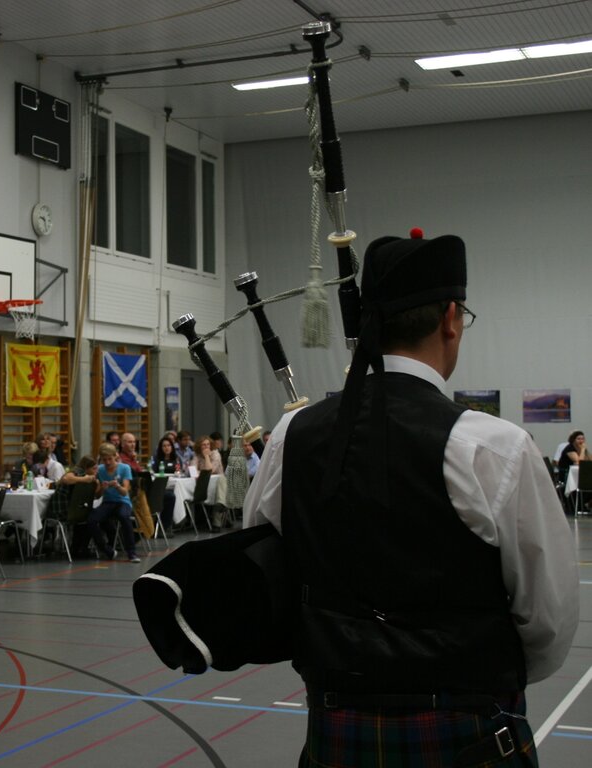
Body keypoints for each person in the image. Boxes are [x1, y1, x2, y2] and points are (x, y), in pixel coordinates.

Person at [244, 229, 579, 767]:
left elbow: (270, 571)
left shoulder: (290, 437)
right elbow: (548, 622)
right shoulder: (494, 448)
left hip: (335, 733)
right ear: (450, 318)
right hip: (468, 733)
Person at [89, 443, 140, 563]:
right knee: (92, 520)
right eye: (104, 459)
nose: (107, 462)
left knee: (124, 516)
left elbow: (124, 492)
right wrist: (102, 488)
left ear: (115, 456)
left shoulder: (124, 468)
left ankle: (131, 552)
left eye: (110, 459)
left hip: (123, 502)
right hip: (108, 502)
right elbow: (97, 495)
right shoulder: (100, 470)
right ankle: (107, 550)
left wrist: (117, 486)